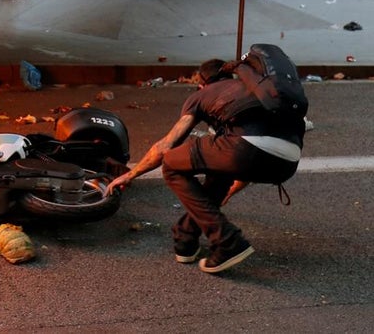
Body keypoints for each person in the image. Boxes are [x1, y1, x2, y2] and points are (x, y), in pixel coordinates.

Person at [105, 57, 306, 274]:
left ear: (202, 82)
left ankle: (228, 241)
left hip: (247, 150)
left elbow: (166, 146)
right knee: (219, 168)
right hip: (288, 162)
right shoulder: (254, 90)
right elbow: (249, 157)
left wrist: (131, 174)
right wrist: (230, 190)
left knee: (172, 163)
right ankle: (186, 237)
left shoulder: (201, 96)